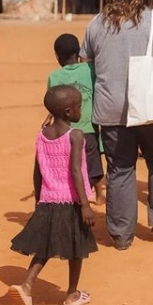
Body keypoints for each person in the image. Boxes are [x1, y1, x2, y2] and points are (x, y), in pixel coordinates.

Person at [81, 0, 153, 249]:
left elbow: (85, 63)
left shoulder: (96, 24)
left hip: (110, 109)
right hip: (150, 108)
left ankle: (121, 234)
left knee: (120, 169)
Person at [7, 85, 98, 305]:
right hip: (71, 202)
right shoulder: (75, 135)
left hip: (49, 199)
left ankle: (26, 285)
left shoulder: (42, 135)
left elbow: (37, 172)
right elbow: (76, 171)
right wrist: (85, 204)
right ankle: (72, 294)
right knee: (77, 250)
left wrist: (39, 200)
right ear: (68, 112)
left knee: (44, 248)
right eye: (79, 106)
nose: (81, 110)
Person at [47, 33, 104, 204]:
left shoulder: (54, 77)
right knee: (93, 168)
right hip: (89, 131)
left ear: (57, 56)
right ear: (79, 53)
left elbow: (53, 102)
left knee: (73, 166)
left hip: (66, 134)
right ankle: (97, 194)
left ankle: (83, 196)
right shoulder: (91, 70)